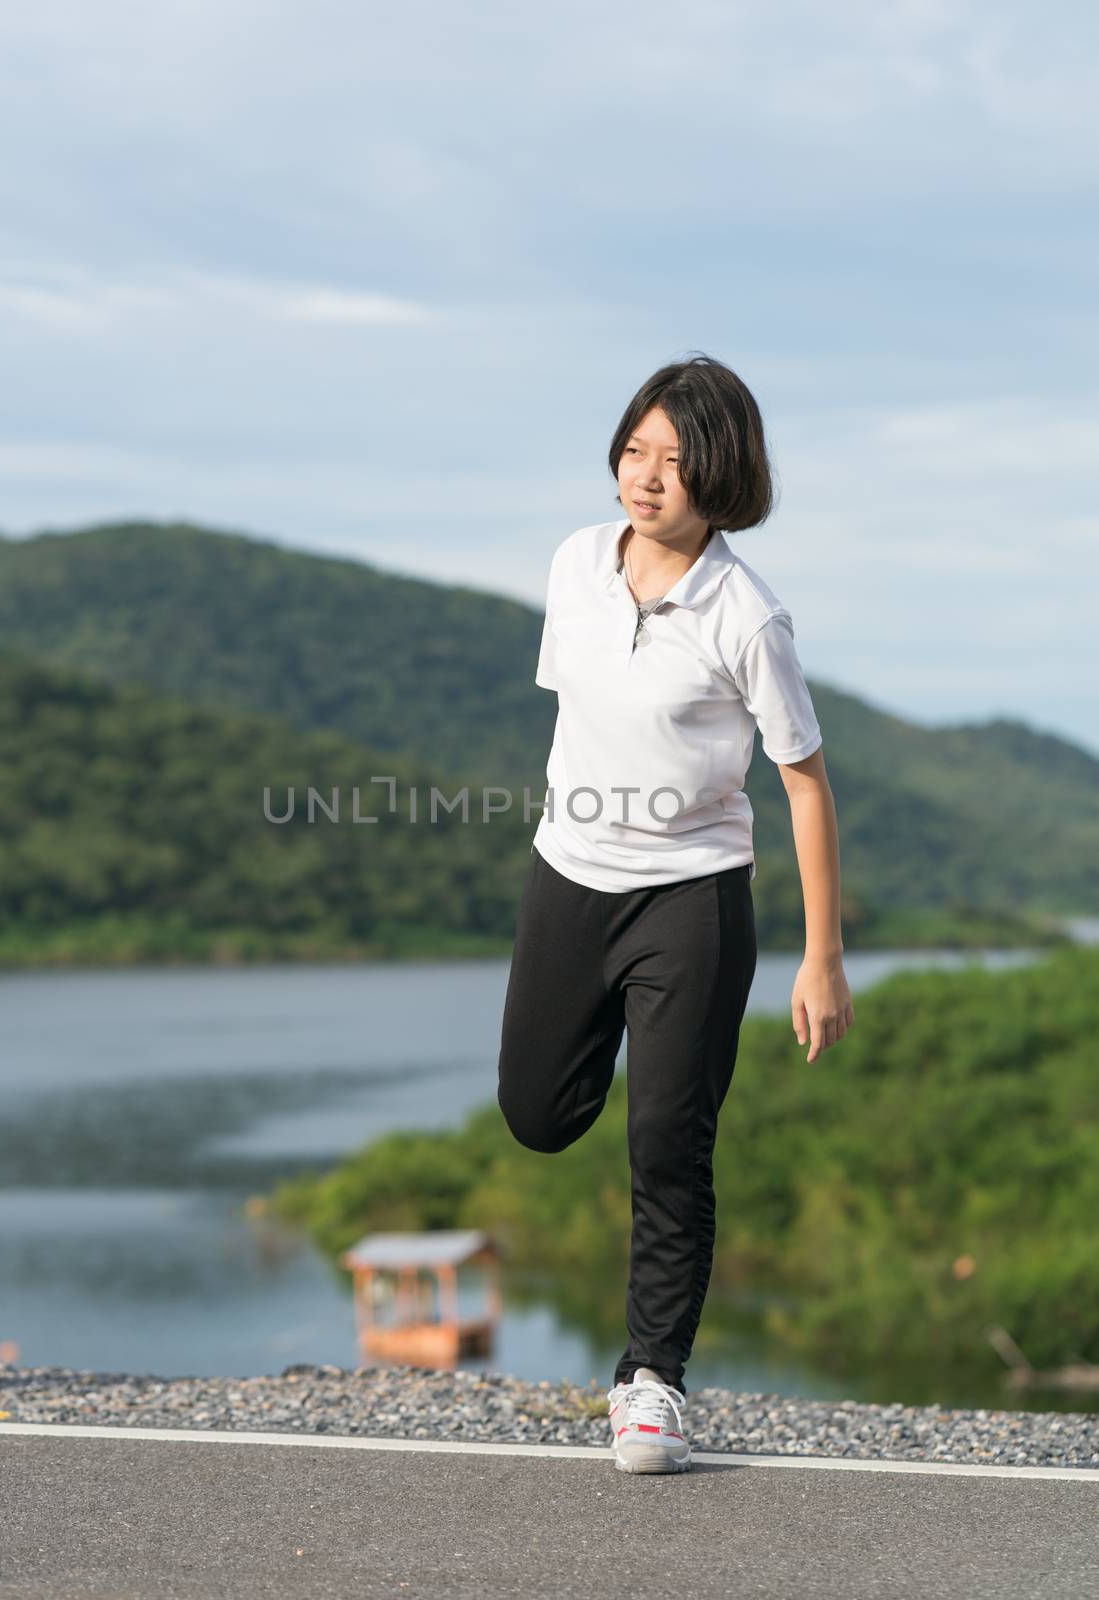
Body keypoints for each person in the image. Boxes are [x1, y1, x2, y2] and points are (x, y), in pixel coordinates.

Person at [496, 353, 854, 1475]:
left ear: (722, 475)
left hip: (691, 896)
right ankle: (629, 1049)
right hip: (569, 873)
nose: (647, 477)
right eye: (635, 449)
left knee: (668, 1141)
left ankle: (651, 1382)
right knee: (539, 1114)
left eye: (676, 459)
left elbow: (804, 783)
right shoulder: (573, 563)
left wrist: (821, 958)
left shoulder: (748, 616)